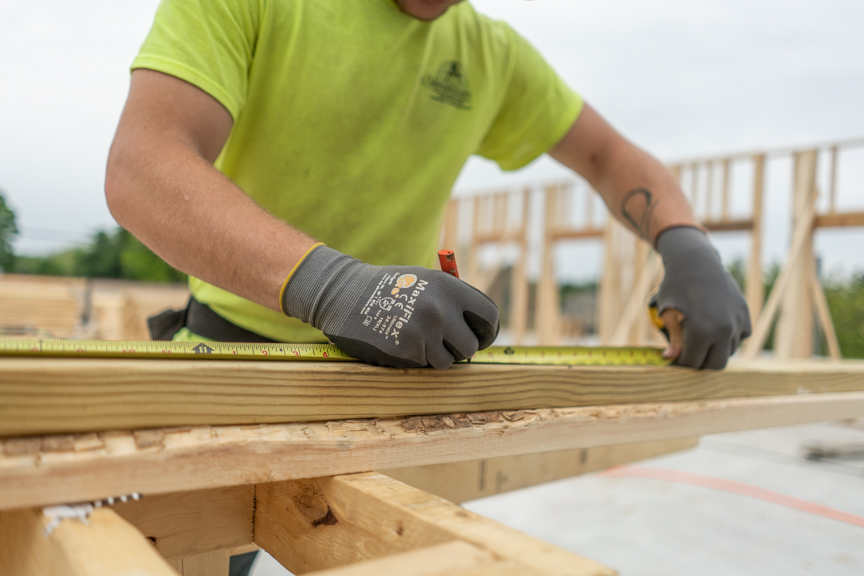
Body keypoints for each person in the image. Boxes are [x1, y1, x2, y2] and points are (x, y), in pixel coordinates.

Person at [107, 1, 751, 568]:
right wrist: (334, 286)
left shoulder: (490, 53)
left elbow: (610, 156)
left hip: (391, 377)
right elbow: (143, 164)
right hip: (235, 363)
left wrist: (684, 242)